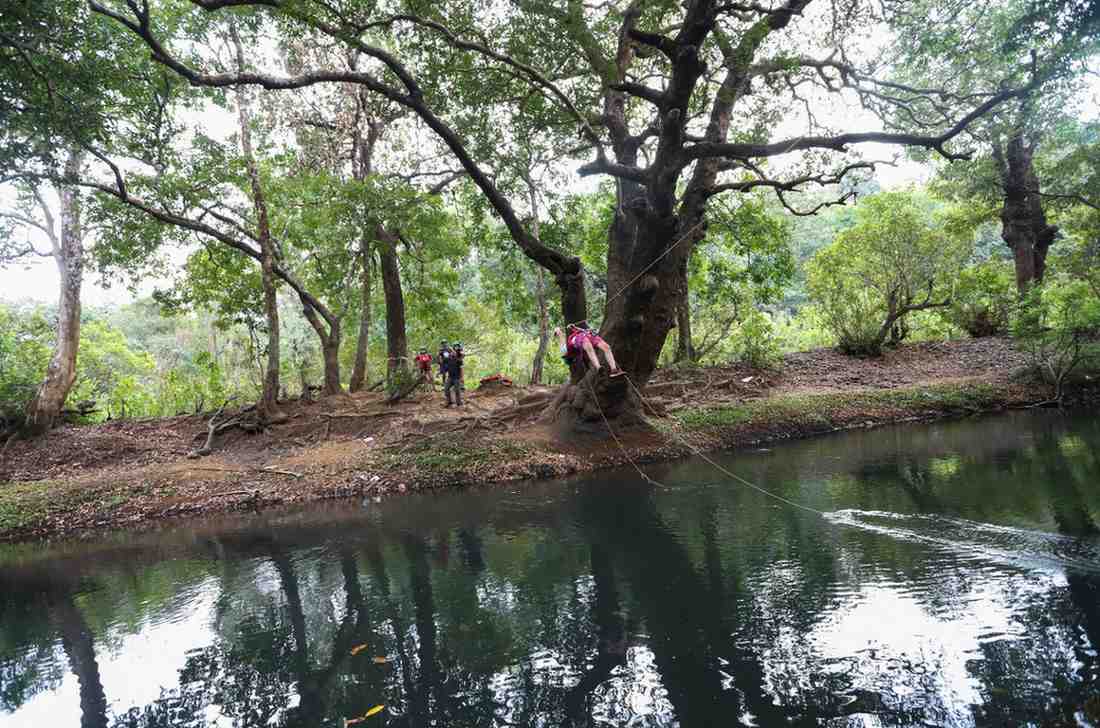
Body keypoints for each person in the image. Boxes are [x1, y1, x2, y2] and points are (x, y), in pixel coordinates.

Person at [554, 322, 623, 376]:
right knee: (588, 345)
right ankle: (599, 367)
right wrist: (559, 331)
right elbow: (561, 336)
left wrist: (573, 328)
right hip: (582, 338)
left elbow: (561, 337)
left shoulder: (565, 350)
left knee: (606, 347)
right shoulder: (568, 351)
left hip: (586, 335)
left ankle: (614, 370)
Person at [443, 341, 464, 407]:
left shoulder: (459, 359)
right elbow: (446, 367)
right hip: (450, 377)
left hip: (457, 377)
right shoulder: (449, 359)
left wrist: (462, 378)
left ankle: (459, 403)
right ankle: (449, 401)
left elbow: (461, 368)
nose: (452, 352)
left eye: (457, 346)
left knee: (457, 391)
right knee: (446, 389)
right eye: (451, 352)